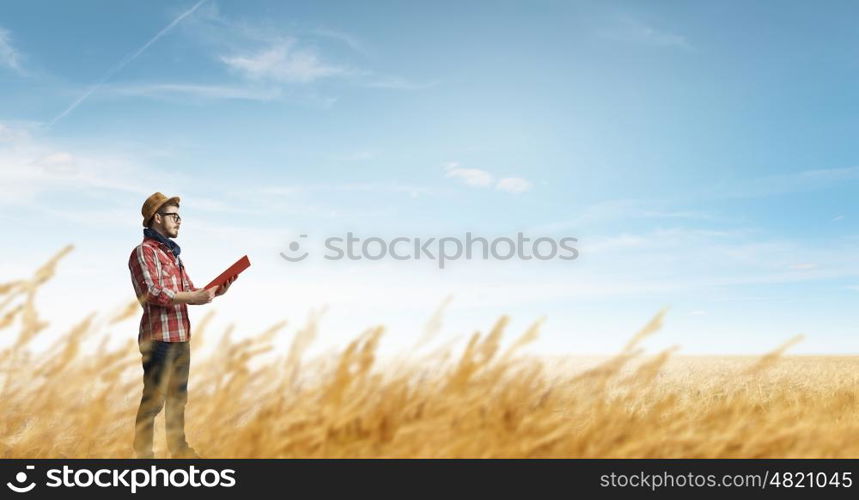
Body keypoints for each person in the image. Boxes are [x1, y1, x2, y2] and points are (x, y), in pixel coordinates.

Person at [128, 192, 237, 459]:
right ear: (157, 218)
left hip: (180, 337)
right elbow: (152, 291)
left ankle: (179, 450)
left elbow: (188, 290)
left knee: (178, 398)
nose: (179, 221)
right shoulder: (144, 252)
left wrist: (214, 291)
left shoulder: (173, 254)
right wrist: (192, 297)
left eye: (180, 217)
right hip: (158, 338)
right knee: (154, 399)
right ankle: (142, 455)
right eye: (174, 216)